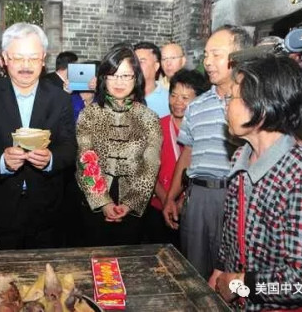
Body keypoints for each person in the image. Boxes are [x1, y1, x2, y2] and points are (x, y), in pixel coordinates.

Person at [210, 55, 302, 311]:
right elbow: (232, 232)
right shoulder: (239, 158)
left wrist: (243, 284)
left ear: (261, 108)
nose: (225, 103)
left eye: (232, 97)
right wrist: (221, 269)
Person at [0, 22, 76, 249]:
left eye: (33, 58)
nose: (26, 66)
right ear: (5, 58)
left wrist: (51, 160)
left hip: (47, 210)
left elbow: (69, 146)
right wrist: (1, 160)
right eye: (18, 58)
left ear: (43, 59)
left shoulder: (60, 99)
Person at [163, 25, 252, 280]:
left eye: (216, 54)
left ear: (240, 56)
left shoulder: (254, 103)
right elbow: (188, 153)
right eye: (205, 55)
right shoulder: (197, 106)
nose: (208, 62)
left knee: (232, 277)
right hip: (197, 197)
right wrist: (172, 197)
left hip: (235, 196)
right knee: (193, 274)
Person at [76, 43, 162, 247]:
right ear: (103, 78)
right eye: (113, 75)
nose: (119, 82)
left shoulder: (149, 118)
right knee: (95, 261)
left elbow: (150, 166)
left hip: (133, 201)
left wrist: (130, 203)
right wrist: (103, 202)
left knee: (128, 262)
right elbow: (85, 159)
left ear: (136, 78)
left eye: (126, 75)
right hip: (94, 198)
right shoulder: (89, 114)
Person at [142, 69, 209, 245]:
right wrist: (166, 200)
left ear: (200, 100)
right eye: (173, 95)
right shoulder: (155, 126)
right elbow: (147, 169)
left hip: (192, 207)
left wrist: (180, 202)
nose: (177, 102)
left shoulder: (205, 130)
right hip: (158, 205)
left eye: (185, 98)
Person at [133, 41, 170, 118]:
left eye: (141, 61)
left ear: (156, 66)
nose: (136, 66)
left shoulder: (169, 101)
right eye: (134, 62)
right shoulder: (123, 96)